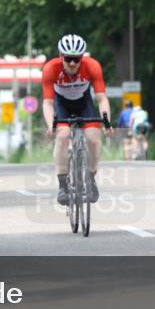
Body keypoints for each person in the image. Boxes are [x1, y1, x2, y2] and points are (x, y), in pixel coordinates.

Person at [42, 34, 112, 205]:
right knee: (63, 136)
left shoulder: (92, 66)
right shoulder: (51, 68)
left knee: (94, 139)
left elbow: (102, 99)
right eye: (68, 58)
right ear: (61, 56)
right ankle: (63, 185)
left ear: (82, 57)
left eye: (76, 59)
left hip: (84, 102)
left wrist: (107, 122)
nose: (72, 63)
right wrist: (51, 125)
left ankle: (90, 177)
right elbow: (48, 103)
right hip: (61, 104)